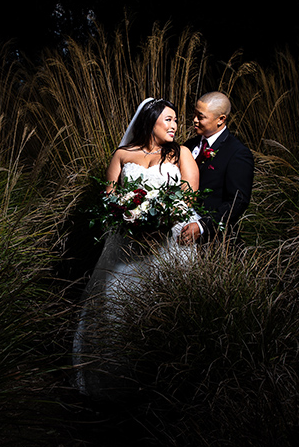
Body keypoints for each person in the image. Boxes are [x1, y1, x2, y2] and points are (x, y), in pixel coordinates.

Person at [72, 98, 199, 402]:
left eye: (176, 121)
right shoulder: (122, 154)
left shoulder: (181, 154)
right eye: (167, 120)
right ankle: (112, 386)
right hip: (126, 245)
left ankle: (164, 390)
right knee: (116, 307)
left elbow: (191, 196)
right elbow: (109, 199)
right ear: (150, 120)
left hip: (166, 245)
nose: (174, 126)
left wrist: (161, 218)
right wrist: (130, 217)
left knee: (166, 310)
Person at [179, 91, 254, 245]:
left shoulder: (238, 153)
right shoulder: (188, 146)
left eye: (201, 117)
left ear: (221, 119)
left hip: (214, 242)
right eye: (194, 114)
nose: (194, 120)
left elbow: (238, 201)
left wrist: (202, 226)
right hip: (179, 231)